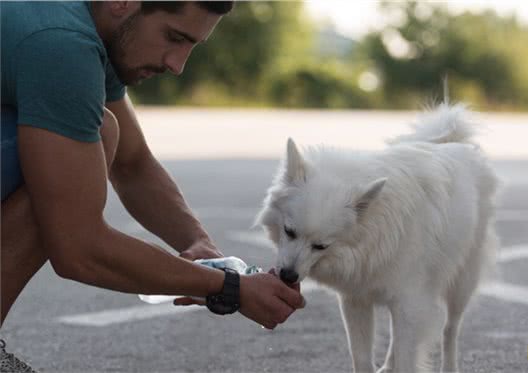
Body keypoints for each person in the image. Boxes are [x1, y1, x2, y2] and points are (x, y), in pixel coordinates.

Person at [0, 2, 304, 371]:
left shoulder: (86, 22)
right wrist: (226, 288)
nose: (177, 65)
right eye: (174, 37)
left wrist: (199, 244)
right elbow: (79, 249)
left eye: (192, 46)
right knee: (82, 145)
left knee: (95, 134)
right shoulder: (61, 44)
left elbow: (133, 165)